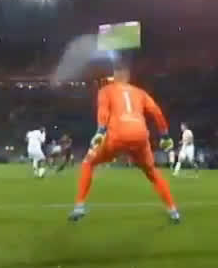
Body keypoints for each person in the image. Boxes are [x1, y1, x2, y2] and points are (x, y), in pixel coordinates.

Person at [70, 61, 179, 223]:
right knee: (152, 173)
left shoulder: (106, 90)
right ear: (127, 76)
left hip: (117, 135)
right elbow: (156, 112)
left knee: (88, 163)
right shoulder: (140, 92)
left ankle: (79, 206)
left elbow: (103, 111)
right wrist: (164, 135)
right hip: (140, 135)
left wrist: (100, 131)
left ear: (114, 75)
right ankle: (173, 211)